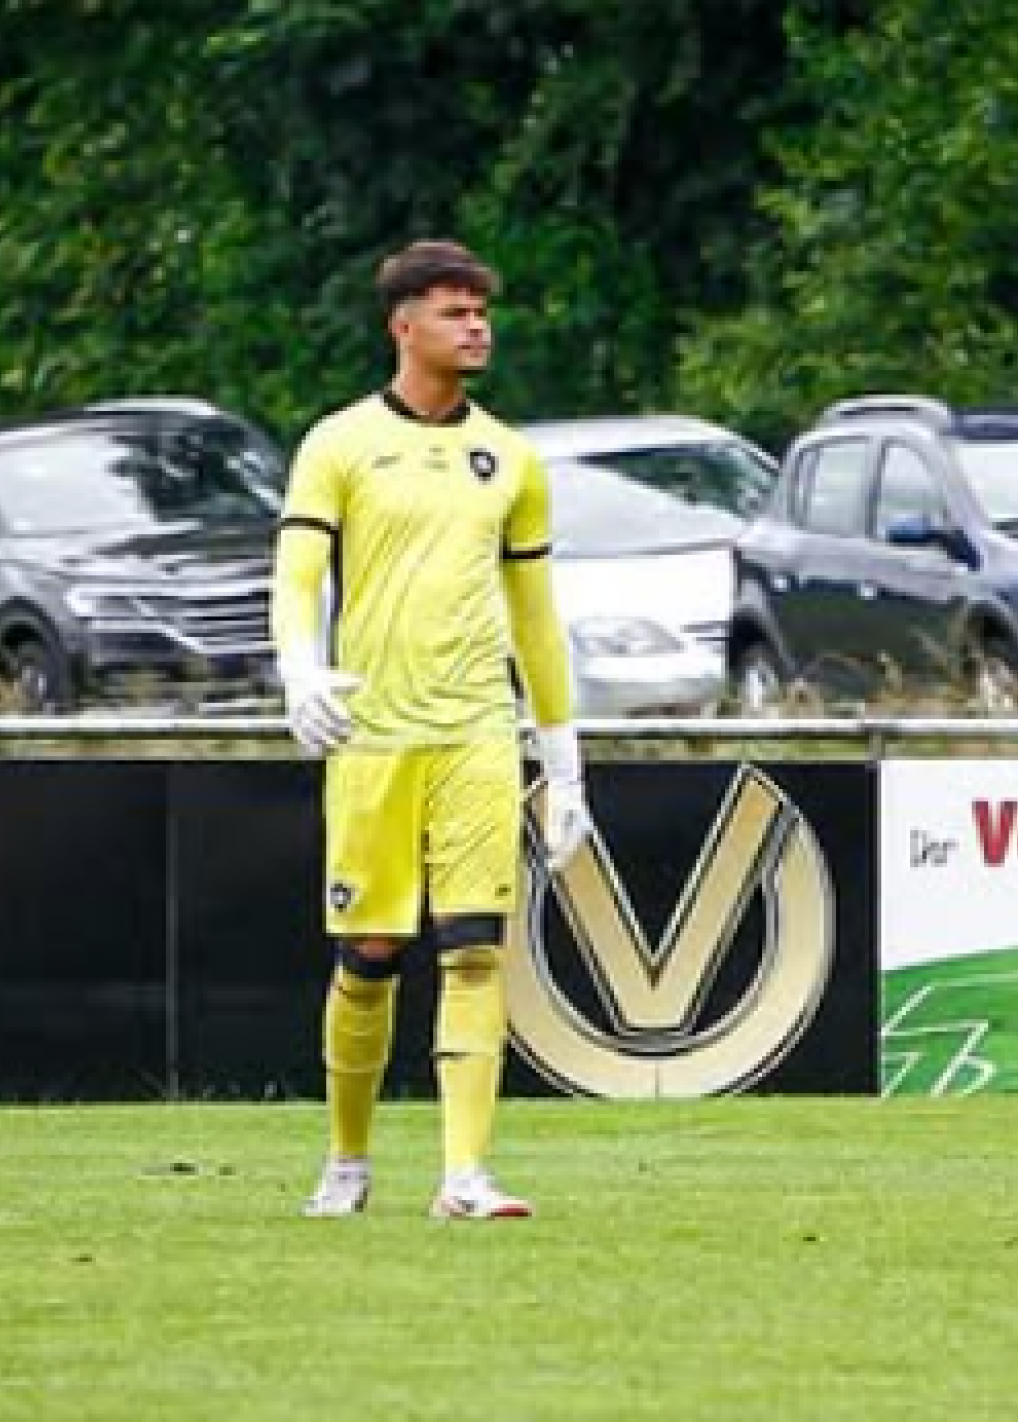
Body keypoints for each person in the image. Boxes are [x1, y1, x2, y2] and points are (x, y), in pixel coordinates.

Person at [269, 238, 592, 1221]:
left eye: (482, 311)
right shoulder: (338, 443)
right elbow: (296, 576)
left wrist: (564, 761)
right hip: (373, 736)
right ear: (403, 326)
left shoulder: (512, 458)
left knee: (476, 949)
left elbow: (536, 618)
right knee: (370, 955)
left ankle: (464, 1175)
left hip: (477, 734)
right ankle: (347, 1160)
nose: (477, 327)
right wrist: (297, 669)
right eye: (456, 312)